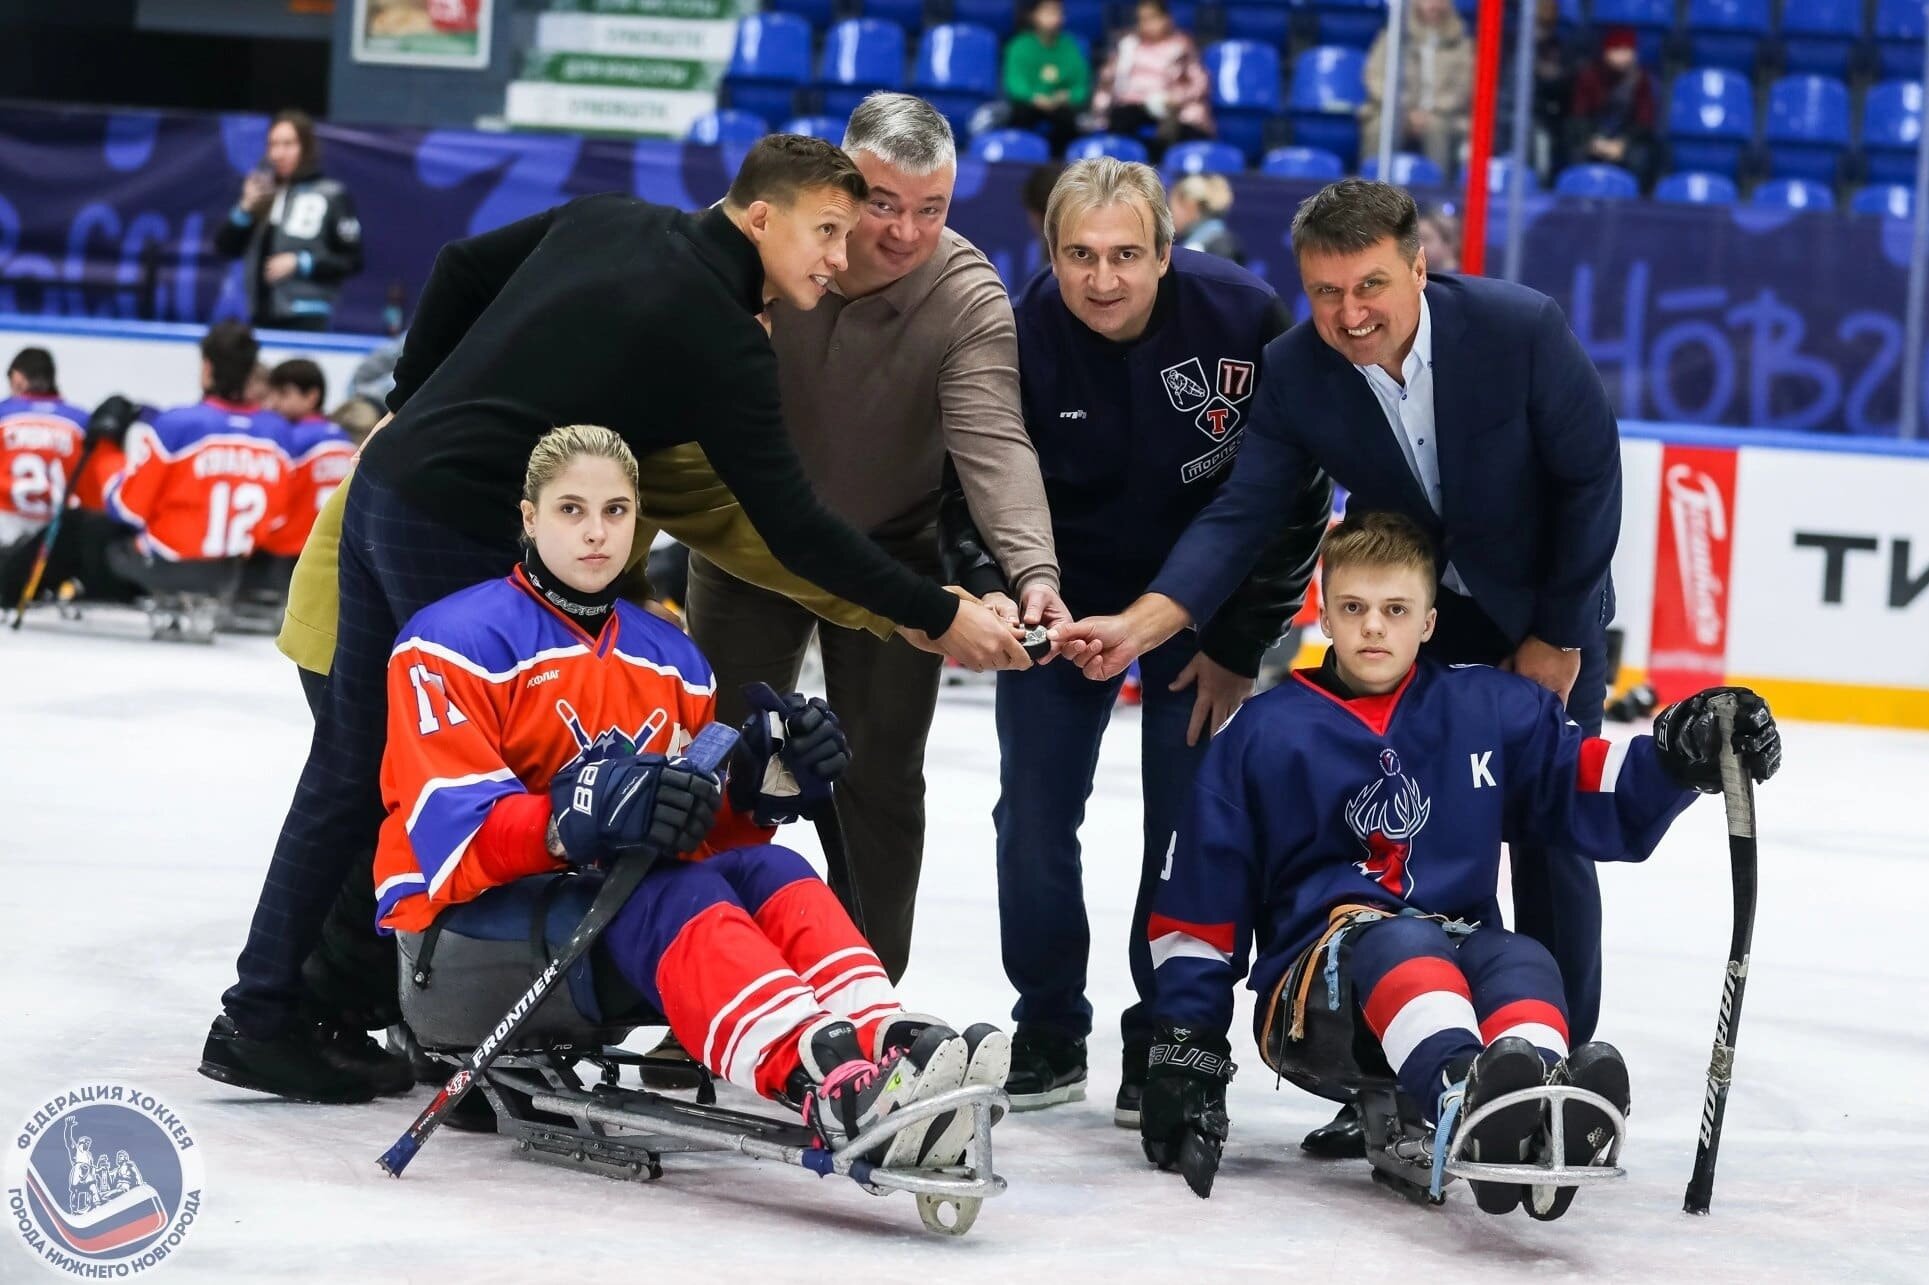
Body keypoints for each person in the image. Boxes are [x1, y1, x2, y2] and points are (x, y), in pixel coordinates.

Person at [202, 134, 1029, 1107]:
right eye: (828, 231)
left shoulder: (611, 216)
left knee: (353, 767)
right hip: (462, 526)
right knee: (496, 777)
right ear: (760, 217)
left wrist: (418, 402)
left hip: (385, 486)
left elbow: (456, 265)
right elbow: (792, 527)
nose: (839, 258)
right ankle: (472, 1042)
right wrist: (931, 610)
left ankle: (261, 1014)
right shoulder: (720, 335)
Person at [1050, 178, 1625, 1158]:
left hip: (1545, 616)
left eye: (1370, 287)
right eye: (1325, 292)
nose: (1350, 314)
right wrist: (1152, 619)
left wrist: (1559, 636)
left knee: (1547, 830)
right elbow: (1245, 513)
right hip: (1410, 624)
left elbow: (1590, 475)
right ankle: (1393, 1074)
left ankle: (1552, 1069)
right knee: (1393, 839)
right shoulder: (1299, 369)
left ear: (1417, 266)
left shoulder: (1518, 329)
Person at [373, 423, 1010, 1161]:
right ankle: (822, 1080)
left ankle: (883, 1041)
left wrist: (764, 787)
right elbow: (448, 838)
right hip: (462, 946)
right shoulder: (451, 640)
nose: (596, 533)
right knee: (669, 895)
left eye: (615, 511)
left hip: (607, 919)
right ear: (528, 517)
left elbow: (704, 845)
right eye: (571, 510)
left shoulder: (672, 657)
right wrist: (579, 817)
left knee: (771, 871)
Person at [1138, 511, 1782, 1215]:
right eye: (1352, 608)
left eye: (1394, 609)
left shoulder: (1488, 708)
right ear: (1323, 614)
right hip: (1316, 1004)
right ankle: (1462, 1100)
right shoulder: (1262, 733)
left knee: (1520, 957)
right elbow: (1201, 897)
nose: (1373, 627)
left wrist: (1676, 752)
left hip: (1449, 954)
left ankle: (1535, 1107)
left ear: (1428, 622)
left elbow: (1585, 782)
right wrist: (1185, 1045)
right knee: (1401, 939)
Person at [946, 158, 1329, 1123]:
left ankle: (1166, 1026)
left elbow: (1294, 496)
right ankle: (1046, 1023)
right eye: (1078, 255)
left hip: (1197, 613)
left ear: (1167, 252)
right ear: (1050, 254)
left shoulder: (1242, 314)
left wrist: (1240, 641)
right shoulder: (1016, 330)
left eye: (1125, 254)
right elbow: (964, 486)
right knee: (1030, 817)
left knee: (1187, 825)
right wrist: (1004, 595)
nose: (1101, 279)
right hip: (1057, 607)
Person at [686, 94, 1061, 986]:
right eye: (884, 204)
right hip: (747, 547)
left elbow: (994, 444)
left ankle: (861, 992)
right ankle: (697, 987)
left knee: (880, 782)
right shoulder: (754, 243)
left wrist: (1031, 568)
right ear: (839, 182)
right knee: (715, 758)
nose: (904, 233)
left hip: (891, 562)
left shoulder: (965, 294)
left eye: (932, 208)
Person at [213, 110, 363, 332]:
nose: (278, 153)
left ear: (306, 147)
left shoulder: (331, 194)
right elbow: (225, 247)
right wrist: (245, 207)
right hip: (260, 316)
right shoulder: (263, 194)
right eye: (273, 144)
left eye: (288, 144)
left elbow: (352, 260)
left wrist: (302, 262)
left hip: (307, 316)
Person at [250, 360, 354, 595]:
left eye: (284, 394)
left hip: (283, 553)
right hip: (330, 554)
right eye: (272, 393)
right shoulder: (344, 439)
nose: (274, 402)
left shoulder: (290, 440)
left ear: (312, 396)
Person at [0, 347, 111, 550]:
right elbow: (98, 490)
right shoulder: (80, 422)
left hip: (6, 530)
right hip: (58, 537)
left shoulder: (3, 414)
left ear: (18, 381)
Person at [1360, 0, 1473, 178]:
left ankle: (1437, 200)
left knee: (1437, 128)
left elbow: (1465, 87)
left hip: (1442, 115)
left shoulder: (1461, 44)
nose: (1433, 5)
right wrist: (1405, 108)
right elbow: (1374, 77)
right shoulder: (1393, 36)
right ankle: (1368, 196)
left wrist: (1432, 110)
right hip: (1397, 111)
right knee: (1379, 126)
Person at [1088, 0, 1213, 161]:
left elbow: (1200, 83)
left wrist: (1176, 98)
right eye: (1142, 19)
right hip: (1134, 106)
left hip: (1172, 108)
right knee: (1119, 120)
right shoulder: (1128, 45)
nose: (1147, 25)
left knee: (1177, 130)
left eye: (1152, 18)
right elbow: (1107, 81)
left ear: (1166, 19)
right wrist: (1100, 114)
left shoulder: (1182, 46)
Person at [1566, 28, 1658, 190]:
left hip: (1625, 140)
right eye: (1617, 50)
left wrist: (1623, 144)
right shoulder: (1589, 76)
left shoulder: (1641, 80)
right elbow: (1579, 115)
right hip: (1594, 138)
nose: (1622, 56)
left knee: (1642, 157)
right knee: (1575, 152)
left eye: (1627, 50)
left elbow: (1644, 121)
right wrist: (1594, 141)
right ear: (1606, 52)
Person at [1002, 0, 1092, 155]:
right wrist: (1034, 97)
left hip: (1060, 105)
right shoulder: (1019, 46)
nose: (1054, 18)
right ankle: (1021, 161)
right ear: (1033, 15)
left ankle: (1060, 167)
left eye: (1057, 13)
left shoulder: (1071, 46)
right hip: (1030, 103)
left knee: (1068, 122)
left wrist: (1067, 96)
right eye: (1048, 12)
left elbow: (1081, 86)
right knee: (1020, 115)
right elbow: (1014, 83)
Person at [1169, 174, 1243, 264]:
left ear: (1190, 207)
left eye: (1171, 209)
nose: (1169, 215)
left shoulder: (1217, 245)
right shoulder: (1203, 239)